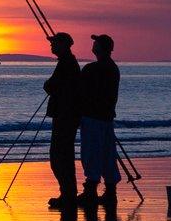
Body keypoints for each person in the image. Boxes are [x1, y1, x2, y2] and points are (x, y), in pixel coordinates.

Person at [78, 34, 121, 207]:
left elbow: (79, 89)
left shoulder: (92, 69)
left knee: (91, 153)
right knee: (107, 154)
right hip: (106, 117)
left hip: (93, 117)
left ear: (100, 48)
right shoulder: (113, 68)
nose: (93, 45)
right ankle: (110, 192)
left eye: (95, 43)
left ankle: (91, 191)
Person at [43, 32, 81, 209]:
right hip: (66, 115)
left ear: (63, 45)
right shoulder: (67, 62)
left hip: (65, 116)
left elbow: (51, 86)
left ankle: (68, 195)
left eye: (54, 43)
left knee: (59, 157)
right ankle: (67, 193)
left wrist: (49, 85)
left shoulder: (66, 63)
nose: (51, 46)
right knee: (62, 156)